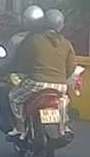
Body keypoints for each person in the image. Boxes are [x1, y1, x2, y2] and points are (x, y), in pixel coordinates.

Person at [7, 8, 77, 138]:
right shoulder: (67, 44)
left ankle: (20, 129)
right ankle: (63, 127)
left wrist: (23, 72)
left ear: (43, 23)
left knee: (13, 98)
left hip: (36, 83)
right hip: (60, 85)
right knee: (64, 100)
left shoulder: (33, 40)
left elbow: (22, 61)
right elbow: (72, 66)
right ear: (61, 26)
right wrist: (61, 78)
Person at [0, 5, 45, 133]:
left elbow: (9, 61)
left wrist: (1, 71)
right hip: (54, 81)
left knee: (6, 94)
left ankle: (16, 127)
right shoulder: (51, 39)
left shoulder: (18, 39)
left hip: (28, 80)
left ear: (25, 20)